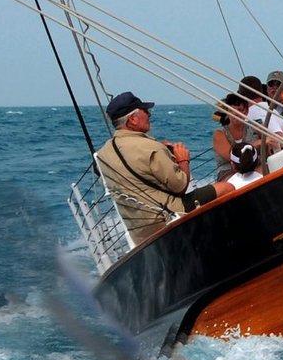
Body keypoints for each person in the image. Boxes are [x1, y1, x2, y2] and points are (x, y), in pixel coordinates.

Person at [96, 91, 232, 245]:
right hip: (165, 216)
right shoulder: (150, 147)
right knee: (226, 188)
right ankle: (226, 242)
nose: (149, 114)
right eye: (145, 111)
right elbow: (180, 186)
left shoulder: (102, 154)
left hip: (138, 230)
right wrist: (183, 160)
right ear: (133, 119)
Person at [211, 90, 251, 181]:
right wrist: (257, 144)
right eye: (232, 110)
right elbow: (233, 156)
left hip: (252, 168)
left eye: (240, 110)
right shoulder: (219, 134)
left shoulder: (255, 129)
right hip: (227, 172)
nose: (235, 113)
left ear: (246, 112)